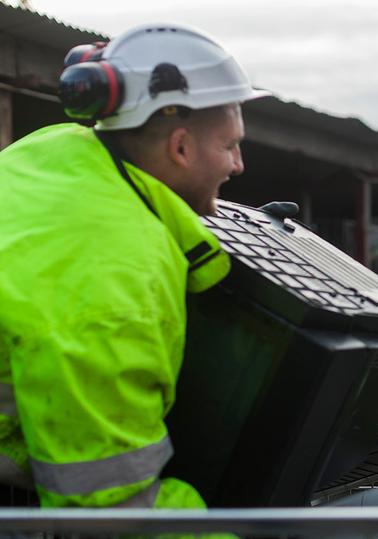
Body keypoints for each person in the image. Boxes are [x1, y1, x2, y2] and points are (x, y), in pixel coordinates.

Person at [0, 23, 267, 508]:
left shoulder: (50, 152)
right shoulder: (115, 282)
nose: (239, 165)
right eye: (230, 145)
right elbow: (110, 508)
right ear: (180, 148)